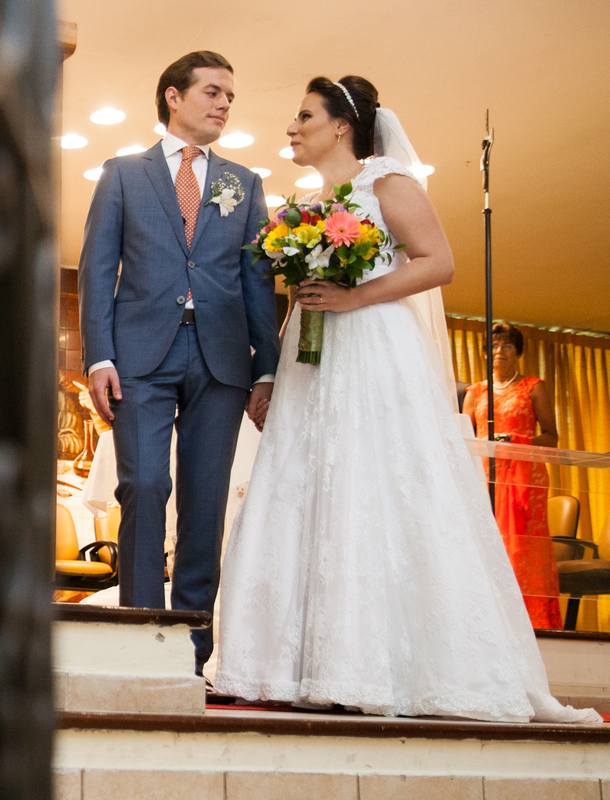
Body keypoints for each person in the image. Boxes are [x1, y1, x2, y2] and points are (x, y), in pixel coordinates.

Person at [215, 76, 600, 724]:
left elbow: (439, 260)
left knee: (373, 484)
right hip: (318, 351)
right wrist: (279, 368)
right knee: (309, 488)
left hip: (370, 345)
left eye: (303, 114)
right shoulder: (320, 202)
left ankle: (384, 665)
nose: (291, 126)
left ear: (341, 125)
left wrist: (356, 296)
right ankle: (300, 663)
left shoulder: (387, 182)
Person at [78, 51, 281, 679]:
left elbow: (257, 281)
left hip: (222, 360)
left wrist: (268, 369)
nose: (224, 104)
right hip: (139, 355)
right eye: (213, 92)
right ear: (173, 96)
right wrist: (99, 356)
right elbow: (96, 268)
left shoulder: (243, 183)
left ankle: (190, 655)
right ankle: (140, 644)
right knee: (144, 487)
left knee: (205, 500)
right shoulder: (122, 174)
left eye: (230, 97)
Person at [464, 323, 562, 629]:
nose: (499, 352)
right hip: (483, 481)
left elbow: (551, 437)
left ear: (518, 352)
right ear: (484, 353)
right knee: (483, 546)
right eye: (493, 346)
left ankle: (530, 623)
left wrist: (516, 443)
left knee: (524, 550)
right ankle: (488, 621)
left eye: (506, 346)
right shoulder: (475, 391)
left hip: (525, 483)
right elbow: (462, 436)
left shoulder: (533, 386)